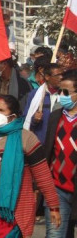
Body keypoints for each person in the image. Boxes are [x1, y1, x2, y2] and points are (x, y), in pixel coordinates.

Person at [0, 94, 60, 237]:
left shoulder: (26, 138)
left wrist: (54, 206)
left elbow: (42, 175)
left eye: (1, 110)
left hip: (11, 209)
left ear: (13, 116)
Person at [43, 70, 77, 236]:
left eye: (67, 92)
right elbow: (49, 149)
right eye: (60, 91)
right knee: (55, 234)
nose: (62, 95)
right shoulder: (56, 116)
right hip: (56, 188)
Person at [24, 62, 63, 144]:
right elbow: (25, 118)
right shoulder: (35, 95)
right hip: (40, 141)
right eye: (57, 75)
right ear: (47, 77)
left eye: (62, 74)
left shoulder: (66, 95)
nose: (61, 77)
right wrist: (34, 120)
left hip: (58, 142)